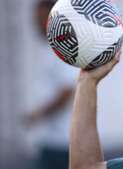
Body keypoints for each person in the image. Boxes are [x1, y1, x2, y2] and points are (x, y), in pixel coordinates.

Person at [24, 1, 77, 169]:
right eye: (35, 18)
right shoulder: (48, 49)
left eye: (41, 18)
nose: (36, 23)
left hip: (63, 142)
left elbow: (66, 92)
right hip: (49, 140)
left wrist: (38, 114)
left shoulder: (63, 48)